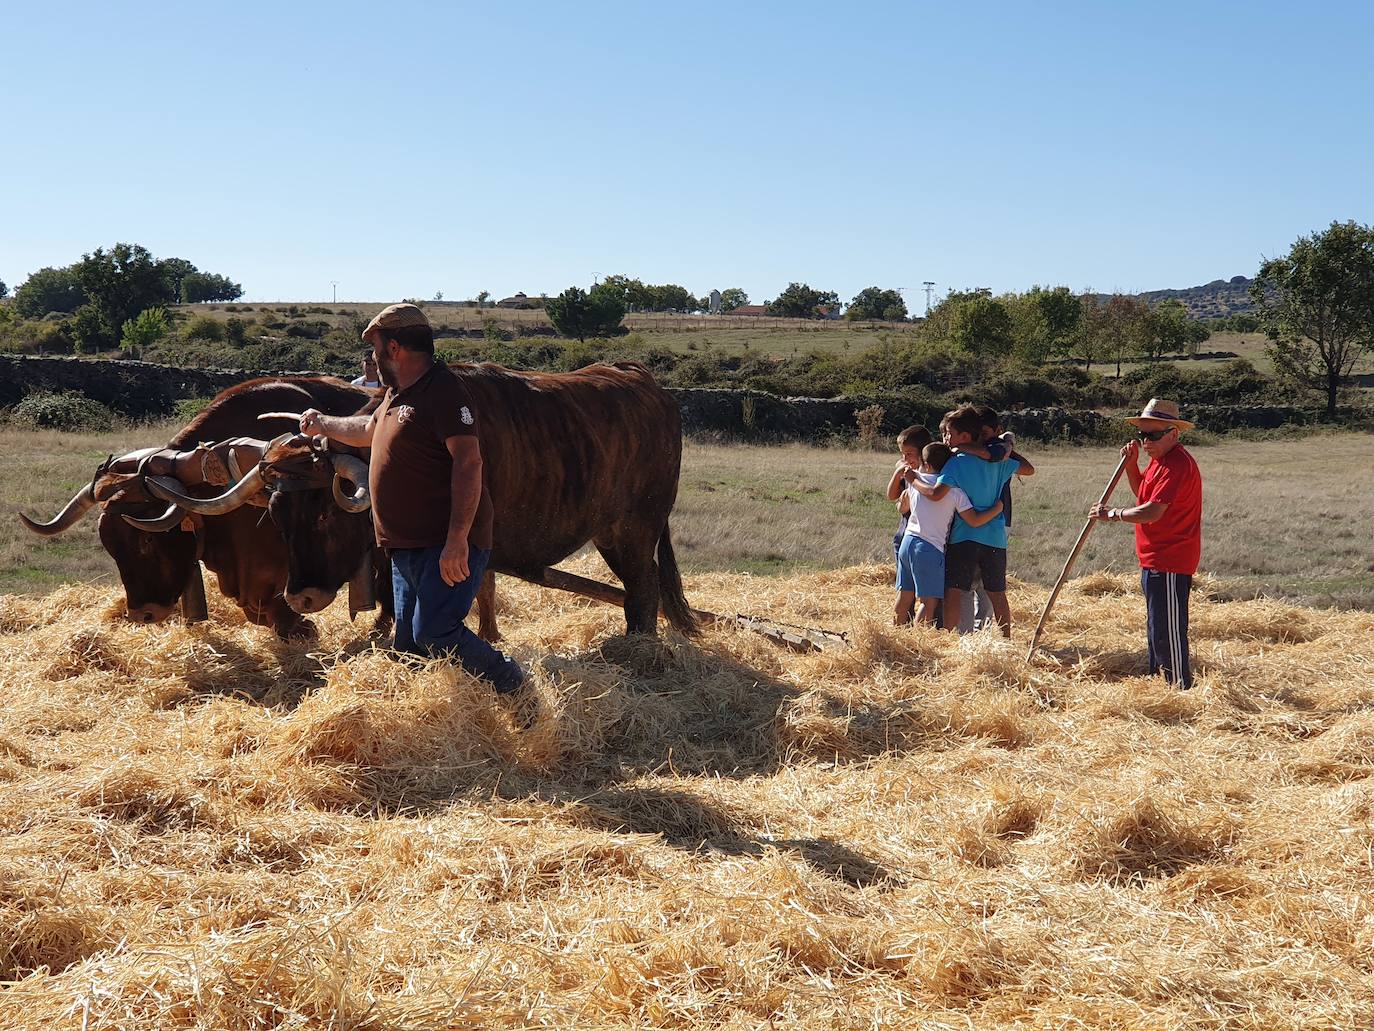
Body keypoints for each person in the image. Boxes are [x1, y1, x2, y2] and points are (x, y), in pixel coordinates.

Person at [297, 303, 533, 719]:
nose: (370, 359)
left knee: (436, 633)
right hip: (405, 548)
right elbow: (368, 431)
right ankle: (430, 729)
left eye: (373, 350)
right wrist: (323, 423)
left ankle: (515, 686)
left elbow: (469, 462)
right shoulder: (396, 394)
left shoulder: (444, 391)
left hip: (444, 546)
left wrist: (457, 541)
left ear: (394, 348)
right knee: (407, 647)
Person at [1088, 398, 1201, 689]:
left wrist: (1112, 514)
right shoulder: (1158, 462)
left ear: (1173, 433)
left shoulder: (1177, 464)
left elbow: (1152, 511)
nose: (1146, 441)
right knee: (1156, 627)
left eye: (1153, 435)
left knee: (1168, 631)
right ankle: (1160, 685)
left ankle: (1178, 687)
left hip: (1171, 558)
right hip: (1153, 557)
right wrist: (1131, 465)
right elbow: (1143, 493)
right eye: (1143, 434)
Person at [909, 404, 1032, 637]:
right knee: (997, 592)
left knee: (955, 591)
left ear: (964, 437)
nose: (946, 438)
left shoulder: (955, 463)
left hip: (964, 536)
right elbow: (1029, 470)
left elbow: (936, 493)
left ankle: (949, 637)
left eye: (950, 434)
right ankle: (1006, 639)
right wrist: (1004, 448)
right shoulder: (998, 461)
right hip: (994, 537)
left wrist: (913, 479)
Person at [894, 442, 1004, 626]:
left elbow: (902, 505)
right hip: (929, 548)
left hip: (908, 541)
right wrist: (997, 508)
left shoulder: (915, 480)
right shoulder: (954, 492)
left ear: (926, 464)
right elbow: (974, 520)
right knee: (928, 602)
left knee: (905, 596)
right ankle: (919, 641)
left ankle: (895, 634)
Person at [886, 424, 934, 571]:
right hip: (904, 532)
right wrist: (898, 473)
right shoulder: (907, 471)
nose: (905, 458)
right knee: (904, 584)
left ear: (923, 452)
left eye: (909, 453)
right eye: (902, 454)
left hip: (926, 538)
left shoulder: (932, 475)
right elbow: (892, 495)